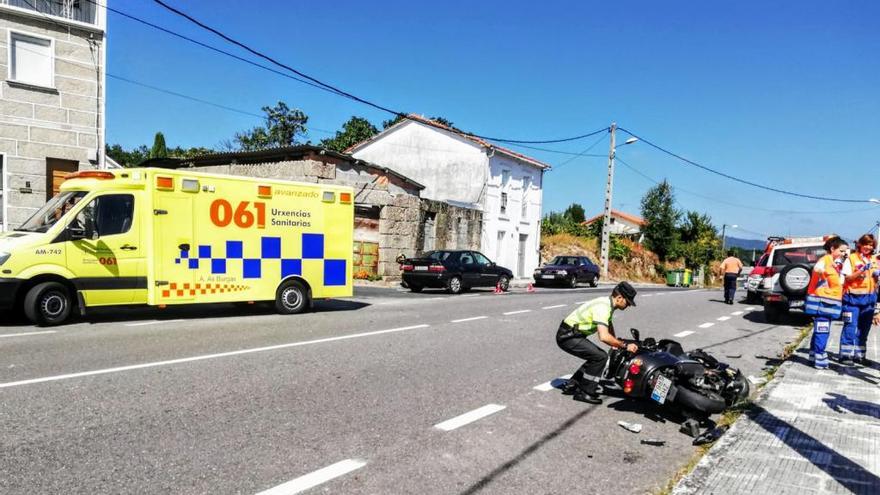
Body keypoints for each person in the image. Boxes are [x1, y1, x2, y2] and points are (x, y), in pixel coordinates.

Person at [557, 281, 639, 404]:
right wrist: (624, 346)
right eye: (628, 302)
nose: (629, 305)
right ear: (619, 298)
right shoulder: (603, 307)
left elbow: (608, 324)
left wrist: (615, 343)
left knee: (594, 356)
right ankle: (584, 392)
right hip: (567, 336)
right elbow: (604, 336)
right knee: (600, 357)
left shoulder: (608, 304)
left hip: (573, 334)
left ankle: (572, 384)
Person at [805, 236, 848, 370]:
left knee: (819, 330)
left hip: (828, 302)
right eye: (841, 251)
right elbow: (817, 269)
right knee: (822, 330)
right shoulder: (825, 261)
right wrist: (822, 271)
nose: (844, 253)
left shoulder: (834, 263)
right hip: (822, 303)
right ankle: (820, 359)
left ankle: (813, 356)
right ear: (832, 249)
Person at [841, 234, 879, 365]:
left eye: (871, 245)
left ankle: (860, 355)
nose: (868, 247)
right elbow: (847, 279)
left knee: (864, 329)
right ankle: (845, 355)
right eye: (866, 244)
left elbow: (875, 281)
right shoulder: (851, 259)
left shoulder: (874, 260)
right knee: (850, 328)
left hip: (869, 301)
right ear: (860, 245)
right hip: (852, 300)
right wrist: (860, 271)